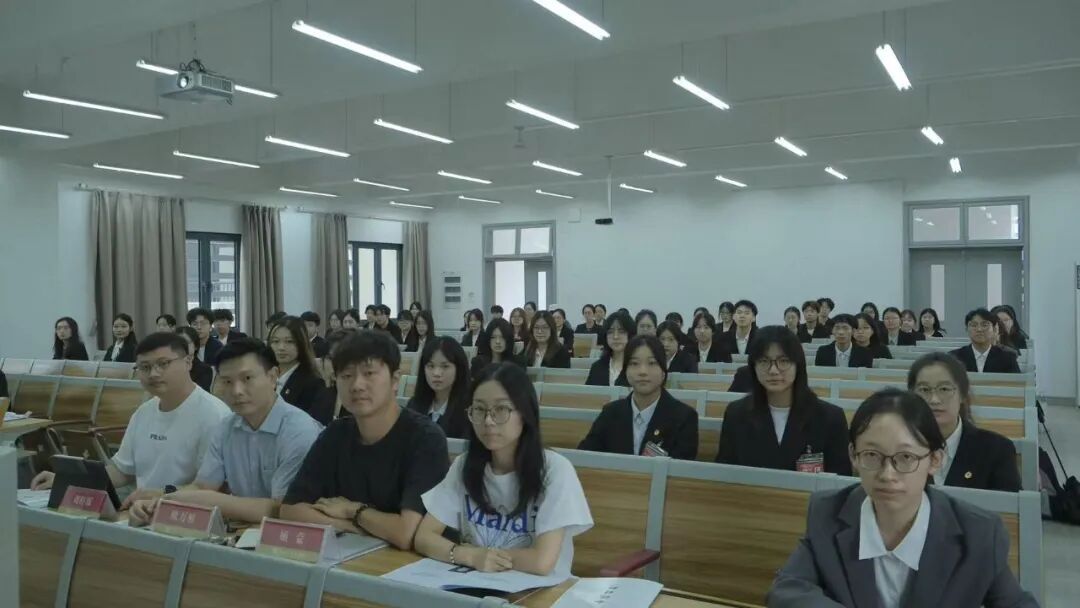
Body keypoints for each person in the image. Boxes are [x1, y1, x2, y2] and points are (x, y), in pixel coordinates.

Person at [767, 389, 1037, 608]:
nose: (887, 474)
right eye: (872, 455)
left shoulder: (978, 533)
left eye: (906, 457)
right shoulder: (827, 512)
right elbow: (788, 589)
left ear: (935, 460)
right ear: (853, 456)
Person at [414, 363, 593, 576]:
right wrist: (470, 556)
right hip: (475, 583)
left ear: (525, 413)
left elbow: (541, 562)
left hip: (540, 589)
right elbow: (424, 537)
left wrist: (481, 556)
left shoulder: (555, 470)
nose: (488, 421)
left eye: (501, 409)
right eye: (479, 409)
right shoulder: (464, 465)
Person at [280, 331, 449, 549]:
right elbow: (290, 509)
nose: (357, 385)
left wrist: (353, 510)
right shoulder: (335, 434)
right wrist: (353, 526)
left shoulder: (426, 438)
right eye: (347, 375)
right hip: (351, 555)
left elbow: (406, 533)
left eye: (369, 373)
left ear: (395, 380)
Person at [128, 339, 322, 525]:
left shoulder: (299, 431)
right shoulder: (226, 427)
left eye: (247, 379)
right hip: (241, 532)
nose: (237, 391)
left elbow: (282, 508)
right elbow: (203, 487)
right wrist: (159, 502)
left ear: (272, 377)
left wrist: (205, 500)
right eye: (227, 381)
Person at [31, 333, 231, 507]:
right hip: (141, 512)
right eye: (144, 367)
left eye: (163, 364)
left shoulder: (214, 416)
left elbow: (211, 488)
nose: (153, 374)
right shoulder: (144, 412)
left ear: (188, 362)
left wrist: (160, 495)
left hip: (185, 515)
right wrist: (66, 480)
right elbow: (121, 472)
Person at [716, 326, 851, 474]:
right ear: (753, 367)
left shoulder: (830, 418)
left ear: (798, 365)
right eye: (764, 361)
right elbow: (725, 474)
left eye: (784, 361)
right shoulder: (736, 414)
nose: (773, 370)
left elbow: (841, 479)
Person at [908, 353, 1020, 491]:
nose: (934, 400)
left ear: (962, 395)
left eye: (944, 389)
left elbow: (1006, 504)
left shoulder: (997, 450)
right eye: (924, 390)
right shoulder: (897, 446)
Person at [579, 335, 699, 459]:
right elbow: (584, 457)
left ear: (663, 371)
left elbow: (681, 468)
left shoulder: (684, 417)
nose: (643, 371)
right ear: (625, 371)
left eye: (652, 363)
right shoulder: (610, 413)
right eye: (634, 363)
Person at [408, 337, 472, 439]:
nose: (436, 373)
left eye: (445, 366)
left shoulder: (469, 409)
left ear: (459, 369)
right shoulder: (414, 405)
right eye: (431, 366)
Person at [268, 316, 327, 419]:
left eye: (289, 341)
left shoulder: (313, 383)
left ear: (301, 343)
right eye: (276, 341)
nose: (281, 348)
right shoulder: (264, 376)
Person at [949, 309, 1021, 374]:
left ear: (994, 329)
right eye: (974, 325)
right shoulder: (954, 357)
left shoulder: (1008, 358)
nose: (979, 329)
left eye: (985, 325)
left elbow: (1016, 383)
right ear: (967, 329)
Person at [586, 312, 634, 387]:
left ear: (630, 334)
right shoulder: (597, 367)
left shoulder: (637, 366)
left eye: (621, 331)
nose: (615, 336)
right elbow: (588, 393)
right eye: (610, 332)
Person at [176, 326, 214, 392]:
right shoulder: (168, 366)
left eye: (185, 342)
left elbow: (200, 394)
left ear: (195, 346)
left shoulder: (204, 370)